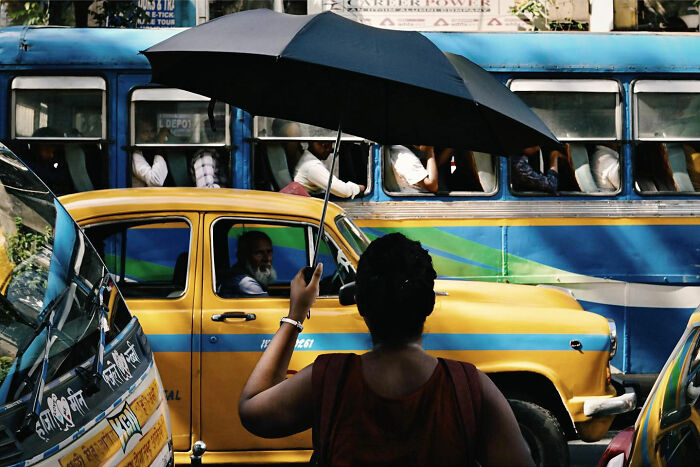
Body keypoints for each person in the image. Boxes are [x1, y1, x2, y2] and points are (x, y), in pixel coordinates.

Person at [238, 233, 534, 466]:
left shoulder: (330, 378)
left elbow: (252, 409)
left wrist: (296, 314)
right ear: (429, 304)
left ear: (362, 304)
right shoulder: (469, 387)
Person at [293, 140, 365, 198]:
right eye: (321, 144)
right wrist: (360, 188)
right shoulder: (312, 165)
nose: (328, 149)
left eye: (329, 143)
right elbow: (344, 191)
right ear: (311, 142)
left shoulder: (308, 159)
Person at [218, 231, 276, 297]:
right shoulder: (246, 284)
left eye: (269, 252)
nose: (266, 259)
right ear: (243, 256)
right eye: (258, 253)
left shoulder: (239, 276)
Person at [27, 127, 73, 196]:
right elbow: (58, 179)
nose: (52, 153)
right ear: (36, 148)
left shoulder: (51, 165)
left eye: (55, 147)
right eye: (47, 148)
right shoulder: (30, 167)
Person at [132, 117, 171, 187]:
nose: (150, 136)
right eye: (145, 132)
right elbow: (156, 181)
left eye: (152, 131)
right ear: (136, 134)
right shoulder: (135, 155)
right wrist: (159, 144)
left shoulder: (151, 151)